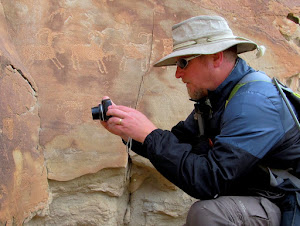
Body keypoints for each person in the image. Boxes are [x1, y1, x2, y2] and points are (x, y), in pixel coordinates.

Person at [100, 15, 300, 225]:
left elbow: (210, 180)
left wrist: (149, 134)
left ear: (216, 57)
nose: (178, 74)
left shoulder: (254, 102)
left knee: (207, 213)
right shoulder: (217, 99)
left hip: (288, 204)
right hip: (268, 198)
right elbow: (178, 144)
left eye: (183, 62)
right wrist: (130, 132)